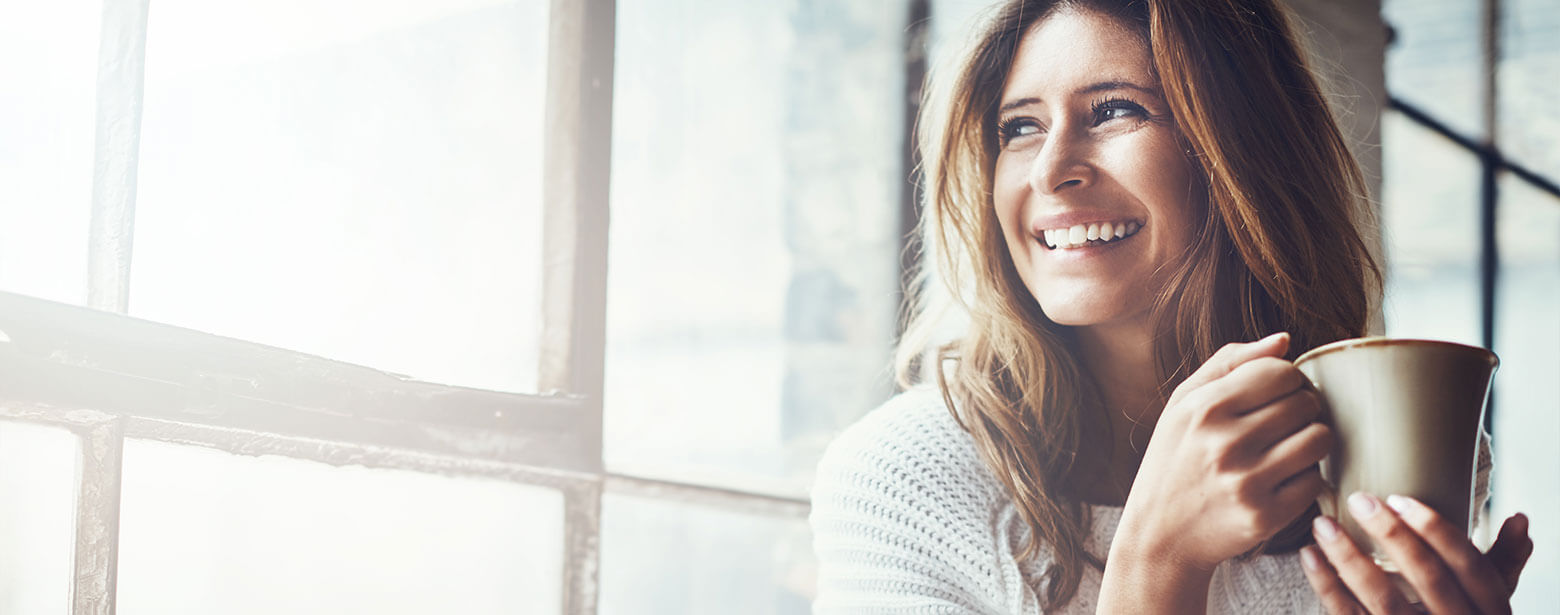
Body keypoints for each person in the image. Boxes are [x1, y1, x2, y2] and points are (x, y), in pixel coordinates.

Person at [808, 0, 1535, 612]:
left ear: (1242, 152)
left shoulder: (1394, 449)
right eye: (1019, 127)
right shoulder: (900, 479)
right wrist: (1157, 563)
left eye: (1115, 111)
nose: (1053, 170)